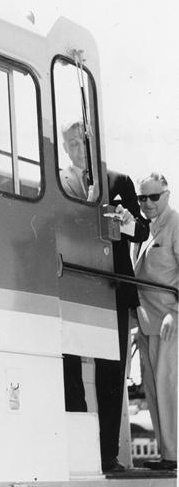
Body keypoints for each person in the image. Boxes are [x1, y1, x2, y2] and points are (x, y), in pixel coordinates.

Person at [95, 170, 149, 472]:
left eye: (82, 141)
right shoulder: (59, 179)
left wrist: (125, 220)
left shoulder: (120, 181)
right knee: (71, 370)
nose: (79, 148)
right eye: (72, 143)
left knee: (112, 374)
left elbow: (141, 231)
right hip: (73, 280)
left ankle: (108, 455)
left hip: (113, 285)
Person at [132, 172, 178, 471]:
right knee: (153, 388)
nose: (147, 203)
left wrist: (175, 310)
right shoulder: (146, 229)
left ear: (167, 195)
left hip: (170, 320)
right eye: (142, 198)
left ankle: (174, 454)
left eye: (153, 197)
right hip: (149, 322)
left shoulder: (175, 224)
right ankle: (168, 454)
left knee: (168, 386)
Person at [59, 120, 97, 201]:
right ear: (65, 147)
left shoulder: (119, 180)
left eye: (85, 142)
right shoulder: (55, 183)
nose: (82, 149)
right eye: (74, 144)